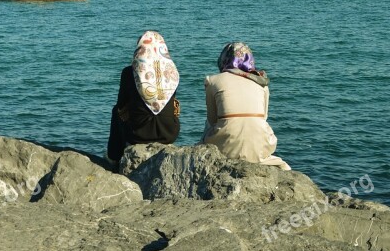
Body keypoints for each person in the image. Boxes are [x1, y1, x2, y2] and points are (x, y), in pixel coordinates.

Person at [200, 42, 290, 170]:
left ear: (224, 58)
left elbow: (212, 119)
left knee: (210, 125)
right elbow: (264, 116)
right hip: (259, 146)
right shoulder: (261, 83)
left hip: (226, 145)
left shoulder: (212, 81)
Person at [107, 31, 181, 165]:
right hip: (169, 133)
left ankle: (114, 157)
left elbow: (121, 105)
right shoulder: (172, 73)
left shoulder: (129, 73)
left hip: (138, 134)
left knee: (115, 111)